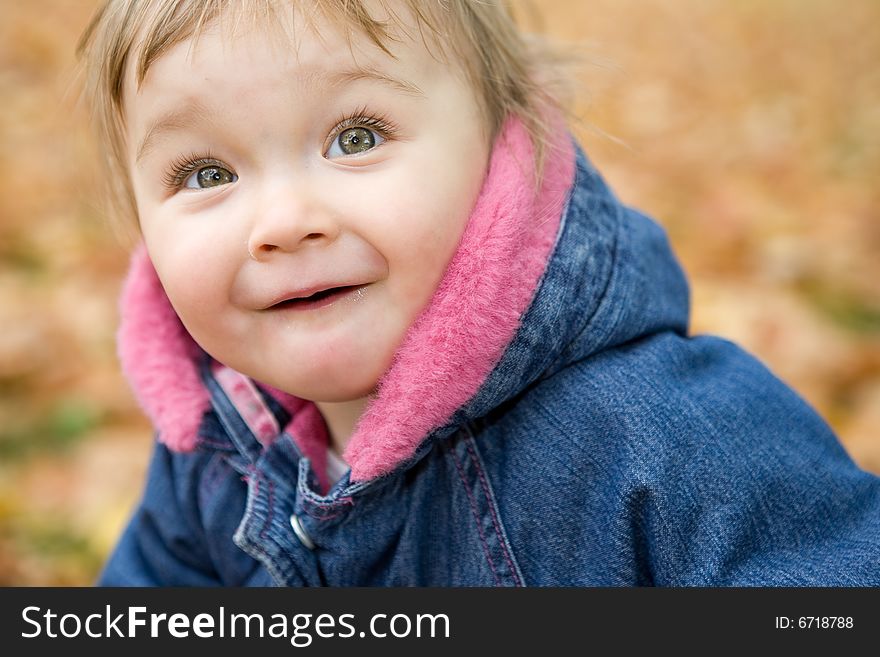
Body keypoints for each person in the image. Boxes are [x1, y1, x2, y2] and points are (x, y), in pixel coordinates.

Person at [77, 0, 880, 586]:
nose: (282, 223)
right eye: (205, 173)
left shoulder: (658, 436)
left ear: (502, 147)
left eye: (355, 137)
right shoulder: (213, 456)